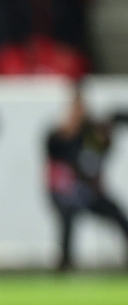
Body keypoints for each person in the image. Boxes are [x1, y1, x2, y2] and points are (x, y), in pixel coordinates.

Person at [46, 93, 128, 271]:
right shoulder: (58, 136)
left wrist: (104, 136)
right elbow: (59, 157)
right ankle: (64, 263)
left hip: (88, 193)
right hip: (65, 193)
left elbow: (98, 155)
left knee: (118, 215)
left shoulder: (90, 136)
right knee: (67, 218)